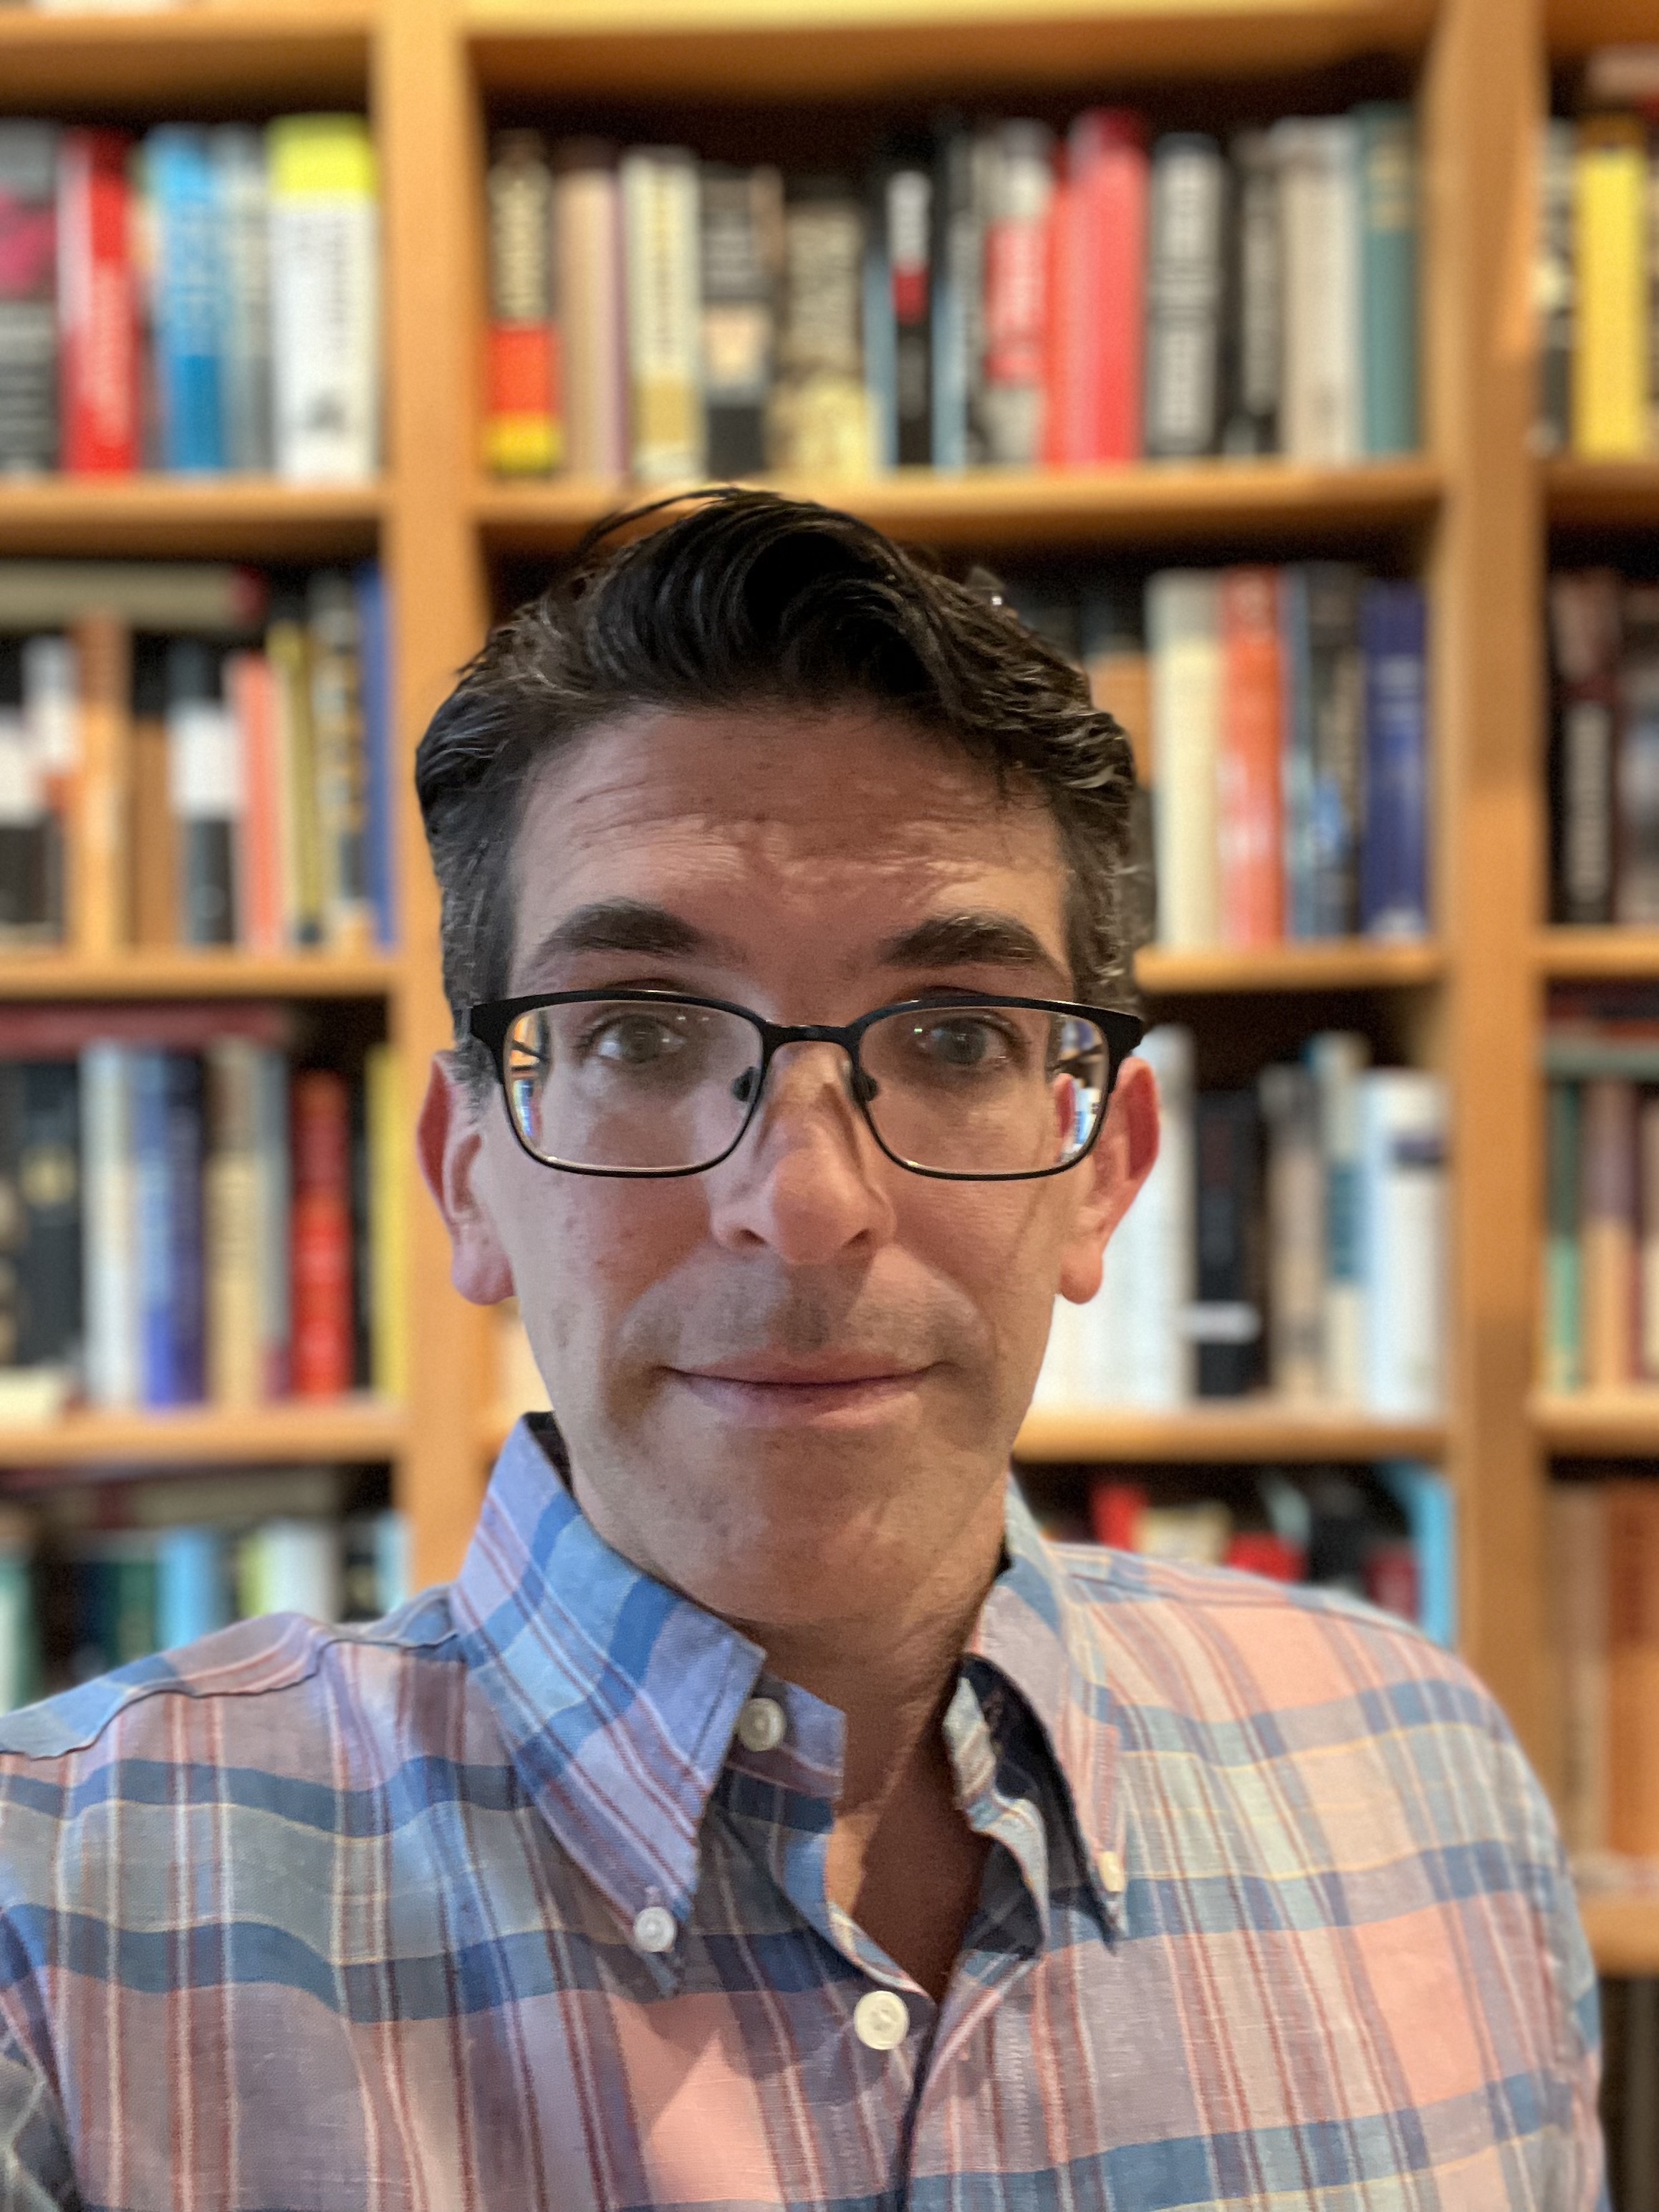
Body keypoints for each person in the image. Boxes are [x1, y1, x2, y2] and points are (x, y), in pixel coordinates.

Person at [0, 491, 1602, 2211]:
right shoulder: (63, 1928)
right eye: (636, 1030)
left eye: (957, 1035)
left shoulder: (1423, 1774)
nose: (809, 1198)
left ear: (1106, 1172)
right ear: (471, 1175)